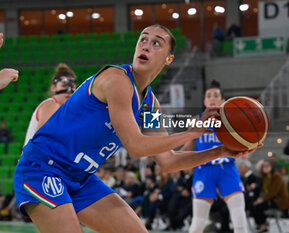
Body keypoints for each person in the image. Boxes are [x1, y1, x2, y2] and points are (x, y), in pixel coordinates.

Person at [13, 25, 257, 233]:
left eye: (156, 43)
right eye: (143, 39)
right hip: (43, 169)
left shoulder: (150, 105)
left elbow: (168, 161)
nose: (146, 45)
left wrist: (221, 151)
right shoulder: (116, 79)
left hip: (79, 178)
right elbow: (137, 146)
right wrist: (194, 131)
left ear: (169, 59)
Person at [182, 80, 249, 233]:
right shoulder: (195, 120)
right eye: (209, 96)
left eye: (216, 95)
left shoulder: (231, 121)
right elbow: (188, 146)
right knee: (198, 222)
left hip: (227, 168)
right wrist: (175, 157)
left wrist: (246, 149)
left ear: (223, 100)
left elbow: (242, 145)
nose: (212, 98)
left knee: (239, 219)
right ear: (204, 101)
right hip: (204, 170)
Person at [23, 63, 77, 146]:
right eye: (64, 85)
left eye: (72, 87)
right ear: (53, 88)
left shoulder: (66, 111)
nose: (69, 91)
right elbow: (41, 141)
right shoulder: (51, 105)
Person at [252, 160, 289, 233]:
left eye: (267, 166)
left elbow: (273, 192)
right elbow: (263, 191)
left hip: (280, 200)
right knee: (254, 205)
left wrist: (261, 200)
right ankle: (262, 223)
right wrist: (259, 199)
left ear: (271, 167)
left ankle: (263, 224)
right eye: (264, 166)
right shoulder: (265, 177)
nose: (265, 168)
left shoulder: (276, 176)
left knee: (259, 206)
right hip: (270, 199)